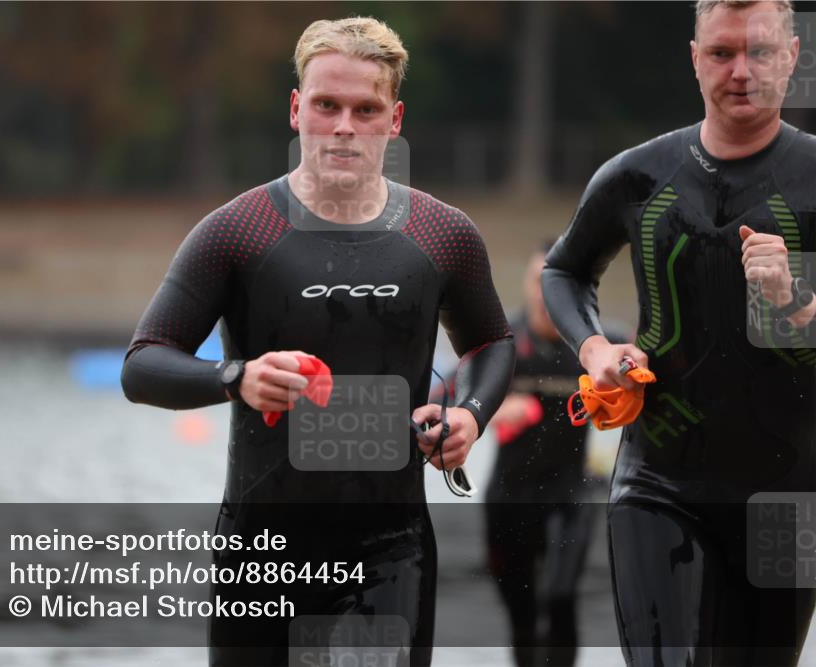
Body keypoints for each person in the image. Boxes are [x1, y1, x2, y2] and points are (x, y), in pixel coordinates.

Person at [121, 17, 515, 666]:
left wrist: (468, 415)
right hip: (261, 549)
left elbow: (491, 344)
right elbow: (143, 365)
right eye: (327, 105)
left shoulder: (443, 234)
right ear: (297, 109)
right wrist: (236, 377)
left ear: (395, 120)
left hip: (391, 546)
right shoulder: (237, 232)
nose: (343, 127)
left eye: (366, 109)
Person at [542, 1, 816, 664]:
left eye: (759, 52)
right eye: (722, 53)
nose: (740, 71)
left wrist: (797, 299)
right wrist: (596, 347)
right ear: (695, 58)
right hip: (659, 483)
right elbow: (564, 270)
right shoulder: (638, 175)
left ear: (793, 56)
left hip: (788, 494)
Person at [468, 243, 628, 667]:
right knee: (521, 618)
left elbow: (651, 380)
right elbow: (463, 400)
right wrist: (497, 410)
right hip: (509, 498)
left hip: (570, 494)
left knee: (560, 598)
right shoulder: (501, 342)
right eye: (536, 283)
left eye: (551, 285)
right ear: (526, 286)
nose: (543, 295)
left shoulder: (602, 345)